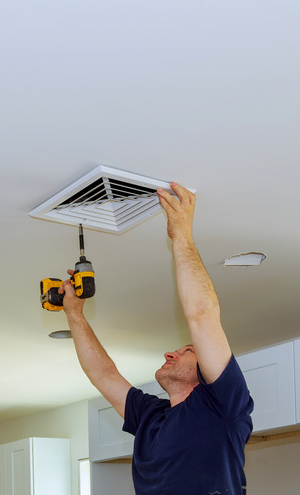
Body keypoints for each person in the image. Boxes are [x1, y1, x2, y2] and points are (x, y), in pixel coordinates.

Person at [60, 182, 254, 495]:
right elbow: (103, 374)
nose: (170, 354)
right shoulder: (151, 416)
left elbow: (202, 315)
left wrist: (182, 237)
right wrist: (74, 315)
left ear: (206, 370)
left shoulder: (222, 406)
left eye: (187, 350)